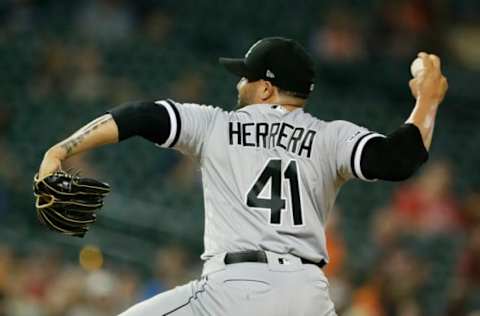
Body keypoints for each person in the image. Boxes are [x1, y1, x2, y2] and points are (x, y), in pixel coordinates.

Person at [37, 37, 447, 315]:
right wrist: (427, 101)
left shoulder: (215, 125)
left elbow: (141, 116)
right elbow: (398, 159)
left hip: (236, 291)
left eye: (246, 76)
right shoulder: (331, 136)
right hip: (307, 295)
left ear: (266, 89)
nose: (239, 82)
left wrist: (62, 150)